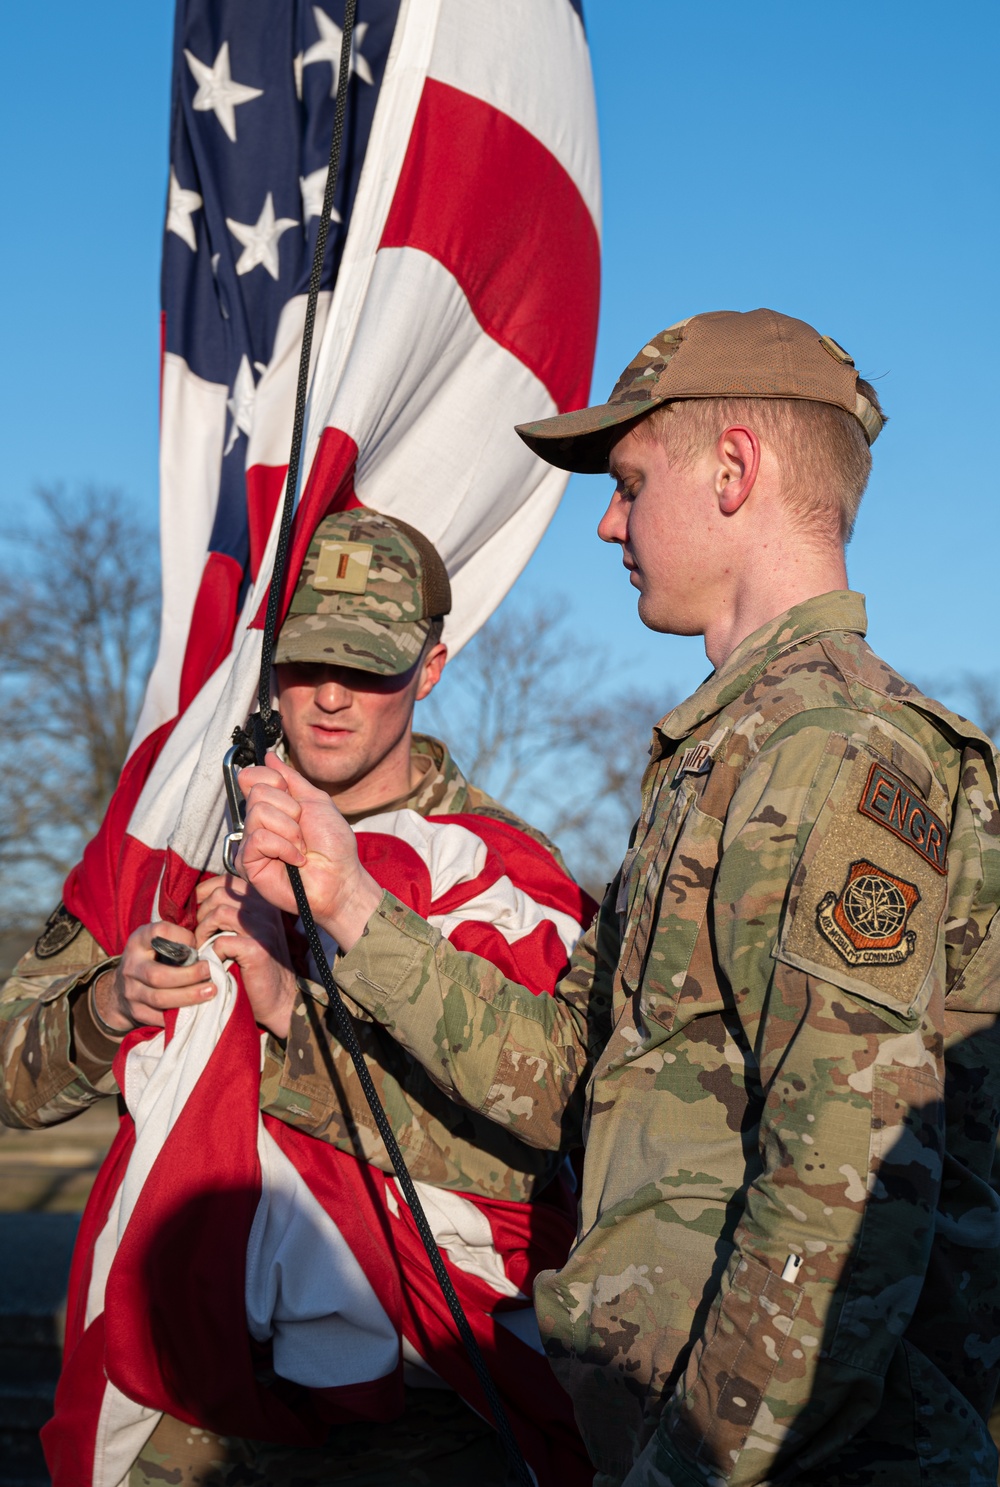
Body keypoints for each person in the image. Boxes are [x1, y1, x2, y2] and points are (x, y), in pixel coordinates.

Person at [237, 310, 1000, 1487]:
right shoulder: (726, 755)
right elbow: (566, 1076)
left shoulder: (836, 753)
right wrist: (349, 907)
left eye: (631, 483)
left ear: (733, 470)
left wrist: (693, 1469)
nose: (608, 521)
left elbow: (840, 1193)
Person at [0, 510, 595, 1486]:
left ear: (431, 667)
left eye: (367, 669)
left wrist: (292, 1019)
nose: (327, 697)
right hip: (179, 1410)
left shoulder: (507, 884)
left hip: (420, 1421)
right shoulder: (176, 838)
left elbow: (536, 1157)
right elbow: (11, 1086)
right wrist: (104, 1008)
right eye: (305, 661)